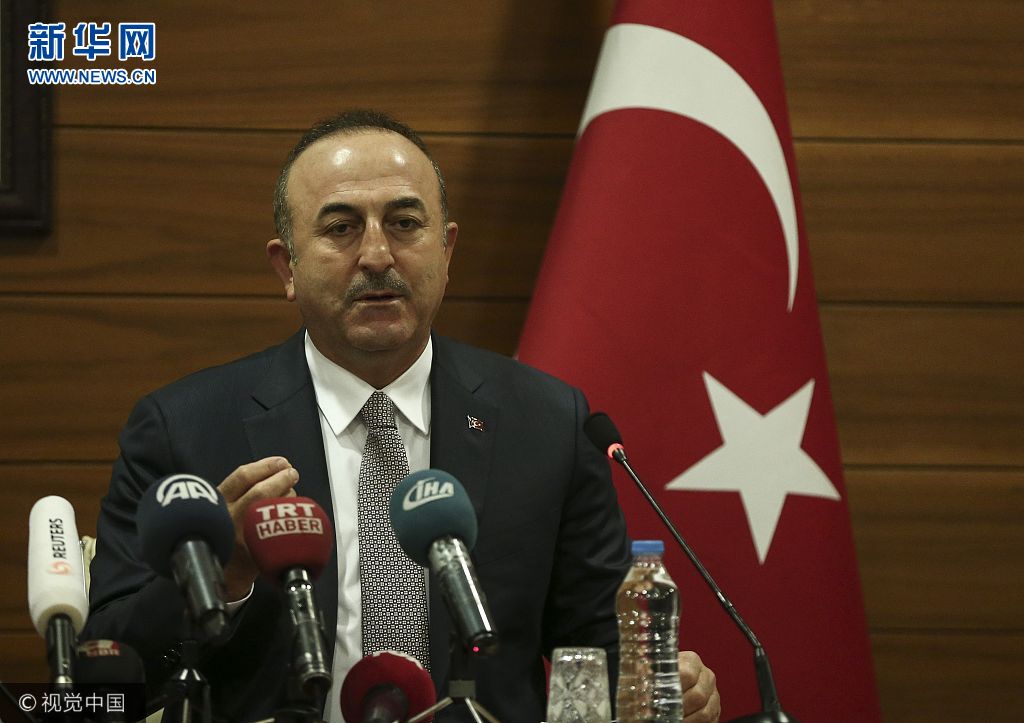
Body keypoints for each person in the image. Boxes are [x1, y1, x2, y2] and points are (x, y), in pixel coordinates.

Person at [85, 109, 721, 722]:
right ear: (287, 266)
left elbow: (600, 648)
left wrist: (662, 687)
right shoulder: (185, 429)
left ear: (447, 250)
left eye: (405, 223)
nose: (377, 255)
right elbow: (103, 683)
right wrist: (218, 579)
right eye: (340, 227)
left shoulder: (549, 422)